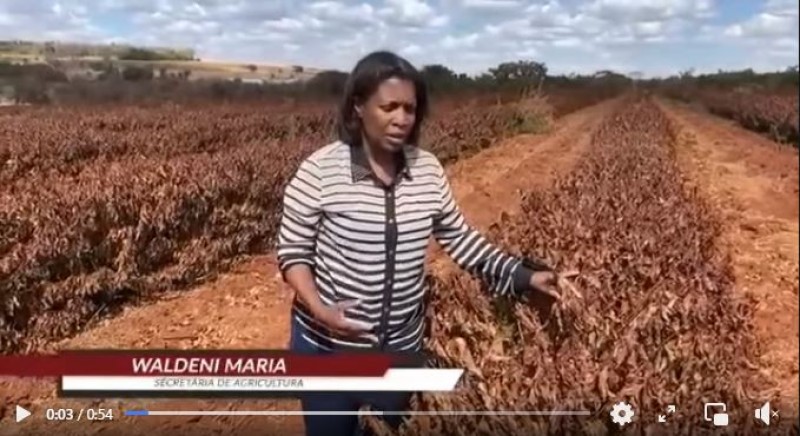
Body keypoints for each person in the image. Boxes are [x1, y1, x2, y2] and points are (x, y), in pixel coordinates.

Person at [277, 51, 561, 436]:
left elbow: (459, 237)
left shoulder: (426, 170)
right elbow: (293, 253)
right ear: (358, 107)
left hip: (400, 352)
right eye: (388, 107)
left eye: (409, 108)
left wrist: (523, 276)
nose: (401, 119)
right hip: (327, 350)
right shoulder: (320, 170)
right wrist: (320, 308)